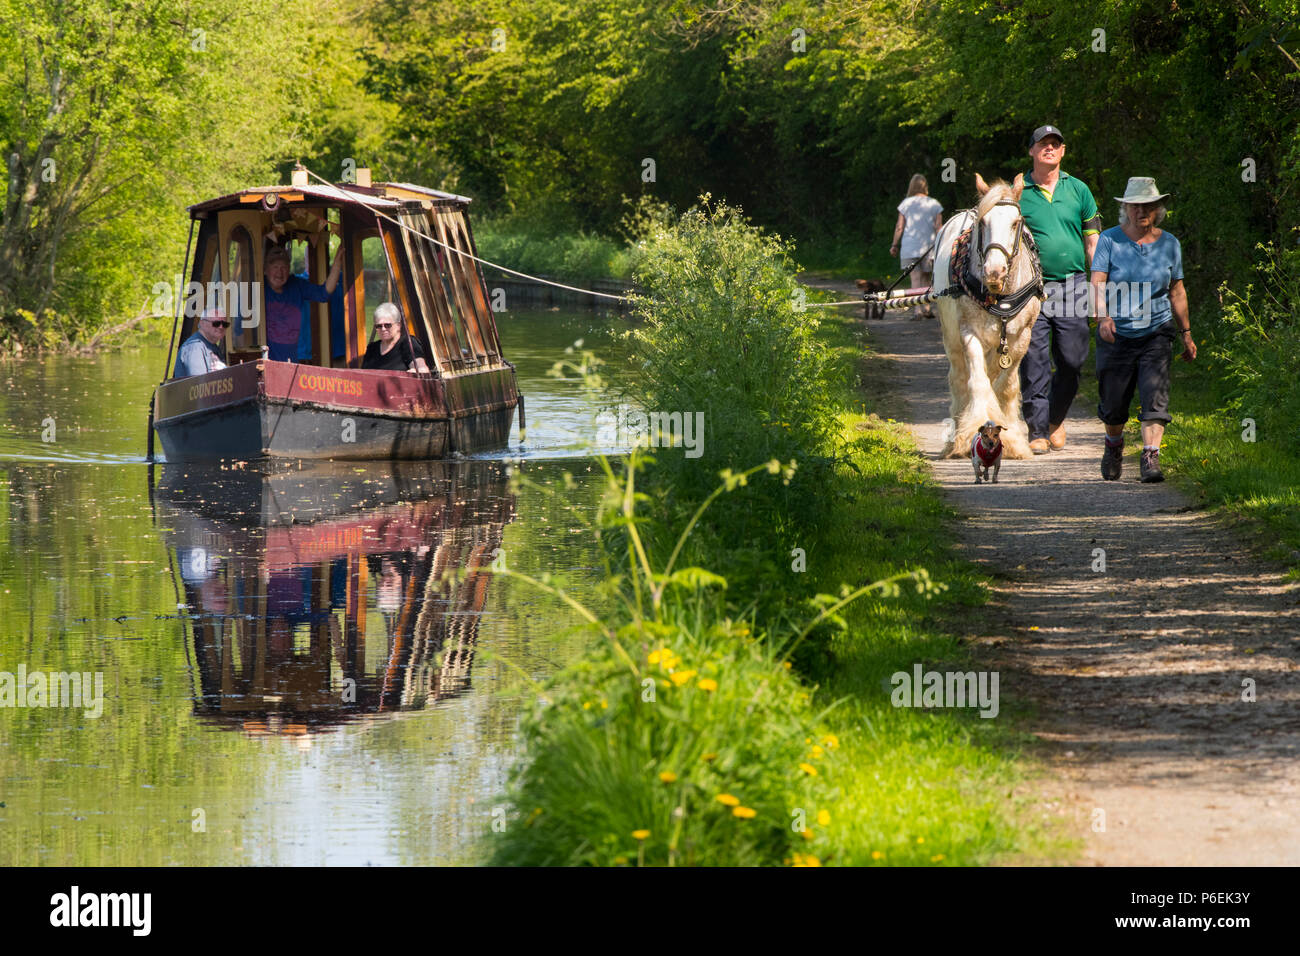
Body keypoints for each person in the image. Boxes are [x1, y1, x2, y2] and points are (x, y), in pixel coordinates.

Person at [1091, 177, 1194, 483]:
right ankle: (1113, 446)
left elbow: (1177, 290)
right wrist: (1103, 318)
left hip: (1157, 330)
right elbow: (1097, 282)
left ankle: (1150, 457)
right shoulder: (1109, 240)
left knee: (1155, 397)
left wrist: (1185, 332)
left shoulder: (1170, 244)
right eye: (1135, 206)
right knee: (1113, 404)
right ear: (1125, 209)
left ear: (1158, 208)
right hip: (1116, 332)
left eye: (1148, 205)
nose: (1141, 211)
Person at [1018, 125, 1103, 454]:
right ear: (1032, 151)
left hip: (1073, 285)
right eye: (1043, 144)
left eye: (1055, 144)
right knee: (1034, 361)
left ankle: (1054, 418)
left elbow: (1093, 243)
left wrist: (1098, 292)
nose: (1049, 149)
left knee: (1072, 359)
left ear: (1063, 151)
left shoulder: (1079, 190)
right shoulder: (1019, 190)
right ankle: (1037, 430)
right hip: (1031, 289)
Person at [264, 241, 344, 362]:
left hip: (291, 363)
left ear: (289, 269)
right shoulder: (258, 287)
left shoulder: (296, 284)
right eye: (275, 267)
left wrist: (337, 263)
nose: (279, 273)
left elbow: (324, 294)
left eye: (284, 267)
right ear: (266, 270)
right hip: (266, 362)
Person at [890, 174, 944, 318]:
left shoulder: (906, 204)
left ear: (911, 186)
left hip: (909, 247)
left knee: (915, 278)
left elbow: (899, 227)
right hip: (929, 247)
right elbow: (939, 228)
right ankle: (926, 308)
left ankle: (917, 311)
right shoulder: (934, 204)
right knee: (926, 279)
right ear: (925, 186)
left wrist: (894, 244)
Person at [361, 302, 431, 372]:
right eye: (379, 326)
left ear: (398, 325)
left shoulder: (408, 343)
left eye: (387, 325)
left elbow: (421, 369)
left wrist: (413, 372)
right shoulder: (372, 348)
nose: (383, 329)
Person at [172, 308, 229, 378]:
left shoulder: (214, 348)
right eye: (216, 323)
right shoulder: (195, 348)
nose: (221, 327)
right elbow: (200, 383)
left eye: (225, 324)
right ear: (202, 323)